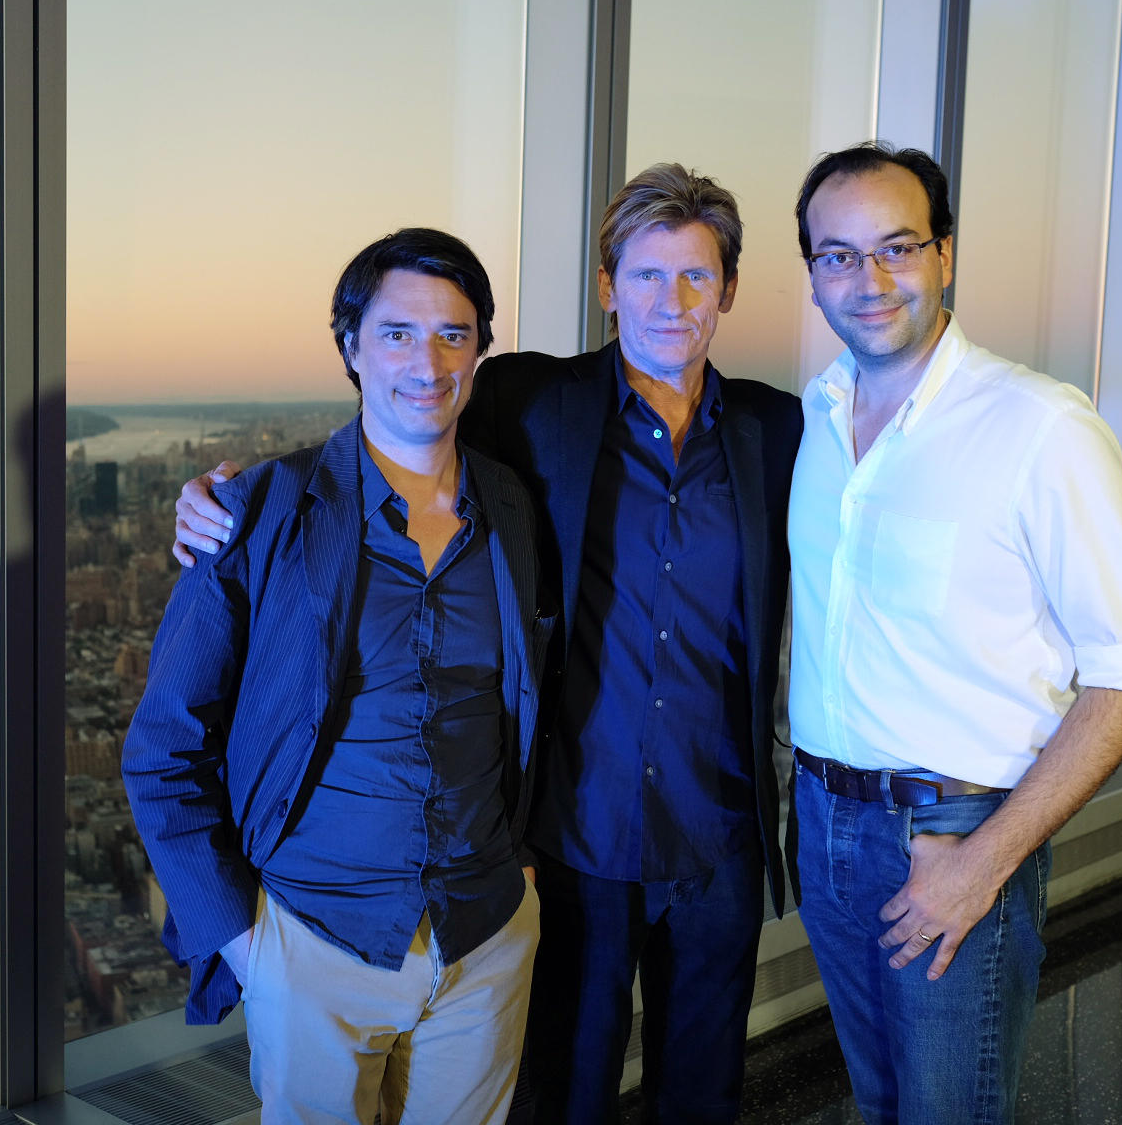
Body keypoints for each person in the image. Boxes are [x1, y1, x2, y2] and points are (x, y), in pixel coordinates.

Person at [176, 165, 803, 1124]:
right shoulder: (531, 401)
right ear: (607, 285)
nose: (670, 301)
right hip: (575, 835)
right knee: (564, 1093)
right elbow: (392, 435)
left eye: (695, 276)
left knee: (704, 1093)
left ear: (725, 288)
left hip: (716, 833)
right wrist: (226, 501)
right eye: (645, 275)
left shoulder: (778, 428)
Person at [787, 142, 1122, 1124]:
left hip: (956, 831)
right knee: (882, 1103)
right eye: (838, 255)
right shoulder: (821, 413)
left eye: (897, 247)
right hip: (825, 821)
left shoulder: (1039, 425)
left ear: (946, 255)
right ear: (813, 275)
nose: (868, 280)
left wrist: (987, 856)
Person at [123, 228, 552, 1125]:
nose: (426, 361)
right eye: (396, 333)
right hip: (313, 942)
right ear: (350, 347)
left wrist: (522, 876)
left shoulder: (511, 505)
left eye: (453, 333)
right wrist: (251, 950)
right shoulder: (261, 509)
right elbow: (163, 749)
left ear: (481, 349)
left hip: (485, 935)